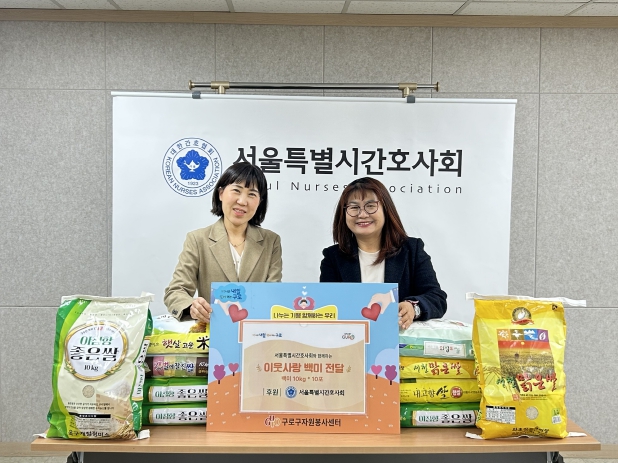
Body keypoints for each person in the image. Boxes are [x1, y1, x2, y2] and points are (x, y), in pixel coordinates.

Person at [320, 177, 446, 330]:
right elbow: (327, 306)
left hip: (399, 340)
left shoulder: (412, 250)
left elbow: (437, 298)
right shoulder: (333, 257)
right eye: (354, 207)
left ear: (386, 209)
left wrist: (413, 307)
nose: (362, 214)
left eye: (370, 206)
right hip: (351, 339)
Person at [164, 162, 282, 323]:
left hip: (255, 331)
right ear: (221, 193)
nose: (242, 201)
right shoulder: (198, 239)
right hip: (212, 330)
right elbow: (176, 291)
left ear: (260, 201)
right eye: (236, 190)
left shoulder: (271, 241)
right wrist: (192, 306)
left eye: (252, 194)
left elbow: (273, 292)